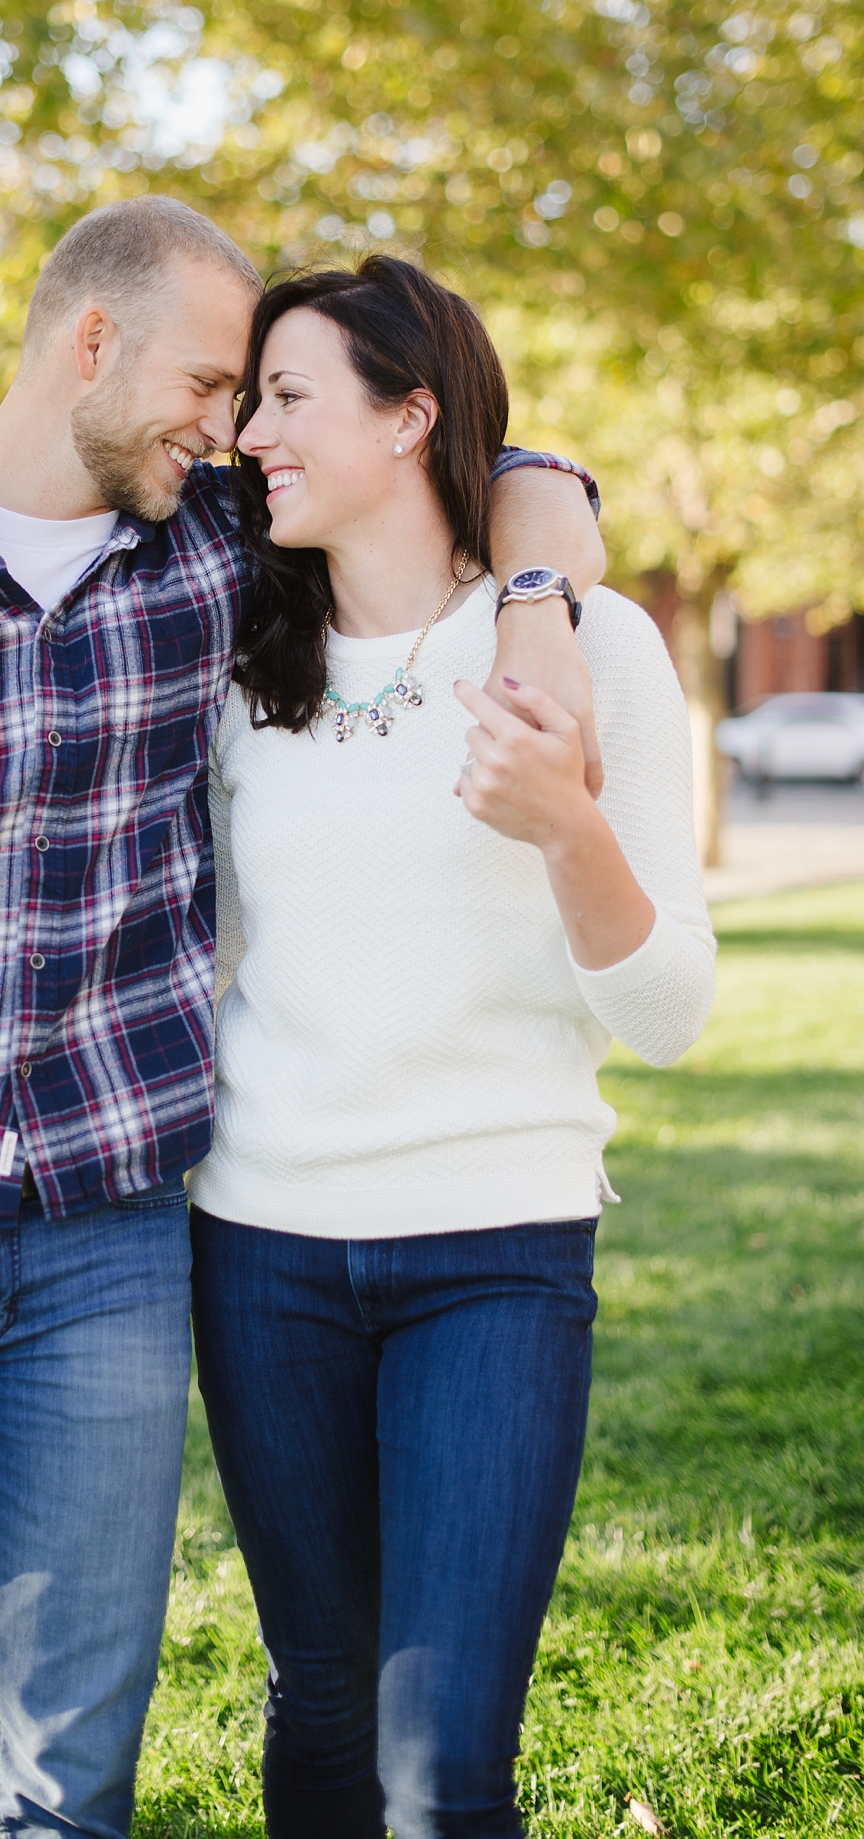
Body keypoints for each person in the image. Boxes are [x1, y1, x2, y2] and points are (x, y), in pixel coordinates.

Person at [0, 199, 605, 1839]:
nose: (233, 424)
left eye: (253, 398)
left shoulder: (210, 553)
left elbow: (517, 468)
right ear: (88, 345)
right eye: (207, 383)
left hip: (106, 1245)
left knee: (74, 1762)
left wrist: (534, 600)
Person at [189, 255, 716, 1839]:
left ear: (410, 416)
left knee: (441, 1771)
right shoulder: (229, 655)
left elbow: (670, 1011)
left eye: (286, 398)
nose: (250, 435)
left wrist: (564, 828)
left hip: (492, 1253)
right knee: (321, 1706)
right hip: (261, 1248)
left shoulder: (584, 645)